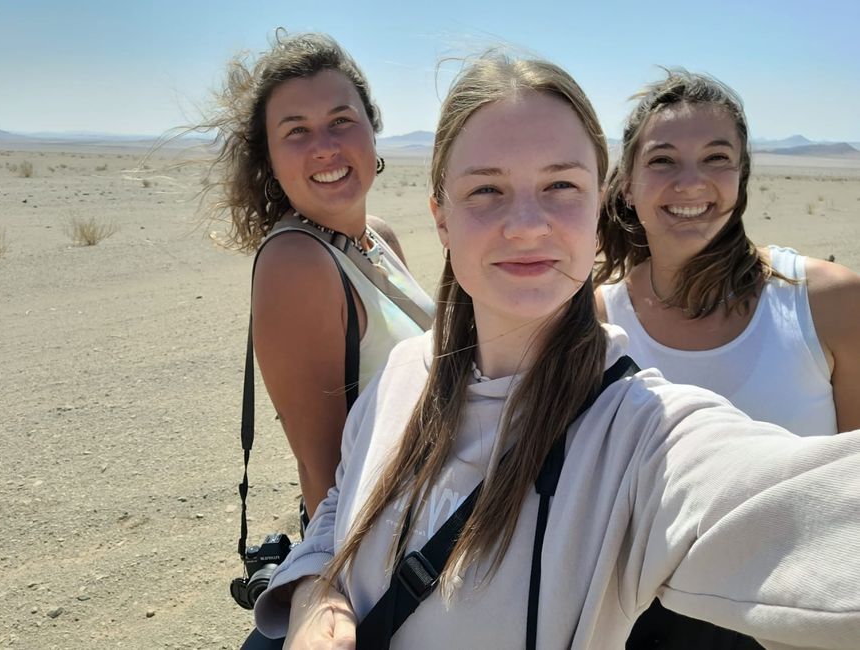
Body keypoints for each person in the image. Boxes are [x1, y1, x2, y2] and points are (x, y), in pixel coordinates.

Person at [252, 54, 860, 649]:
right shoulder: (405, 373)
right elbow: (339, 502)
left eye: (561, 185)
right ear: (441, 218)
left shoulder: (640, 436)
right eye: (487, 188)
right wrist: (313, 592)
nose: (525, 223)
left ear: (598, 209)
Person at [594, 70, 860, 648]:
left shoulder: (829, 303)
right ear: (626, 186)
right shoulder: (595, 322)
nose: (692, 183)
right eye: (663, 161)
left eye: (717, 158)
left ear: (740, 179)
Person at [202, 29, 435, 530]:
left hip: (438, 518)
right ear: (269, 158)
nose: (325, 147)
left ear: (372, 130)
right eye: (296, 131)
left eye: (340, 121)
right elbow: (323, 470)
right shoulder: (297, 263)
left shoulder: (381, 238)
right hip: (388, 547)